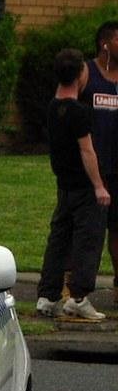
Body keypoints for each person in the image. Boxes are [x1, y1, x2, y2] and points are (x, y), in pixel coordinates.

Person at [36, 48, 111, 321]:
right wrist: (99, 186)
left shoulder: (52, 107)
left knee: (59, 239)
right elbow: (87, 151)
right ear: (80, 74)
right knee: (88, 240)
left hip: (64, 184)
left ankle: (48, 295)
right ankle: (78, 297)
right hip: (83, 186)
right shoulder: (80, 112)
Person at [81, 21, 118, 304]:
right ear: (105, 43)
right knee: (87, 231)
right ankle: (77, 291)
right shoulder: (86, 72)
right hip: (92, 167)